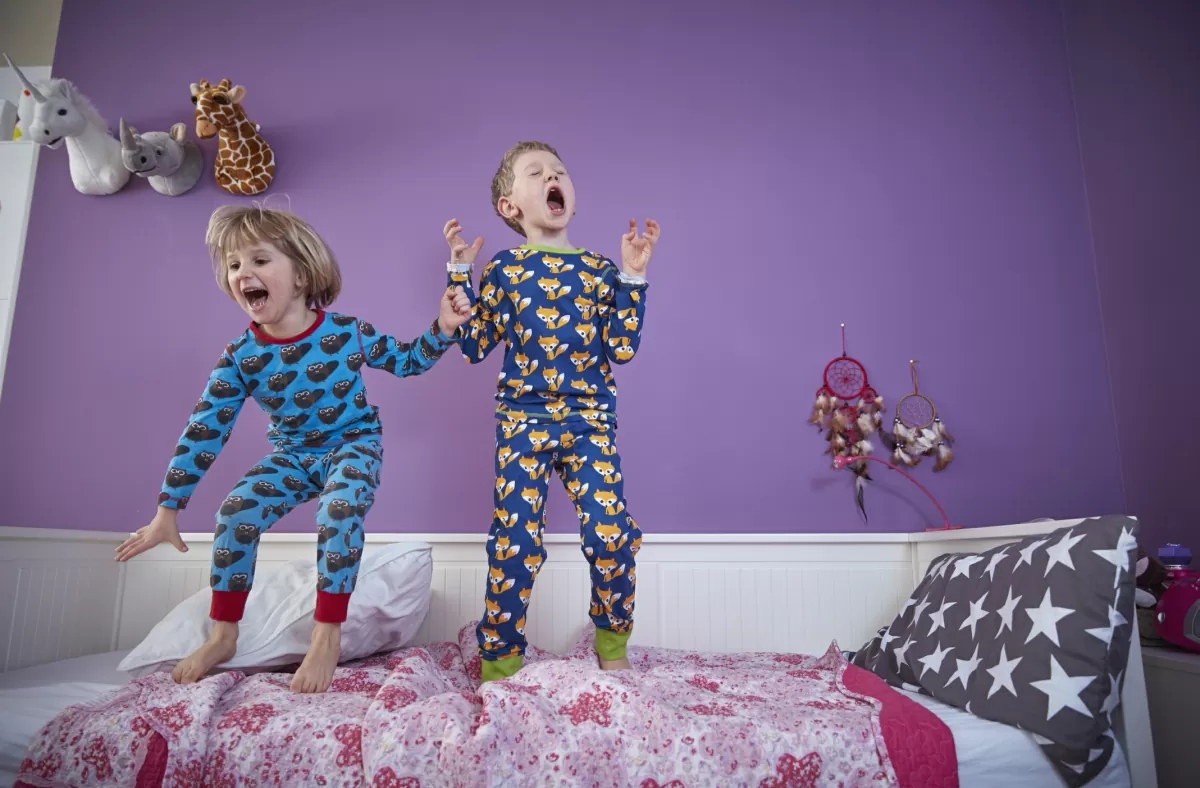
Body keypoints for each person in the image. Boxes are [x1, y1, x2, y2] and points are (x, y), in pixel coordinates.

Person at [115, 204, 471, 693]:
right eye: (234, 264)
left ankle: (326, 638)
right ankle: (223, 636)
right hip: (293, 456)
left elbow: (409, 361)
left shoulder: (346, 333)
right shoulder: (241, 357)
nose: (243, 273)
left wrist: (445, 326)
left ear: (301, 275)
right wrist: (167, 509)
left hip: (353, 443)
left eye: (260, 260)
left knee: (339, 509)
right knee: (235, 512)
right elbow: (205, 428)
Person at [444, 140, 660, 681]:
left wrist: (633, 277)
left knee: (611, 533)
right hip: (523, 421)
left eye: (558, 171)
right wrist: (458, 275)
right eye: (536, 173)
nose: (551, 177)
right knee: (515, 543)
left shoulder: (599, 269)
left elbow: (622, 348)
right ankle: (500, 663)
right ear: (510, 206)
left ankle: (613, 644)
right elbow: (473, 345)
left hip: (589, 422)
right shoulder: (504, 268)